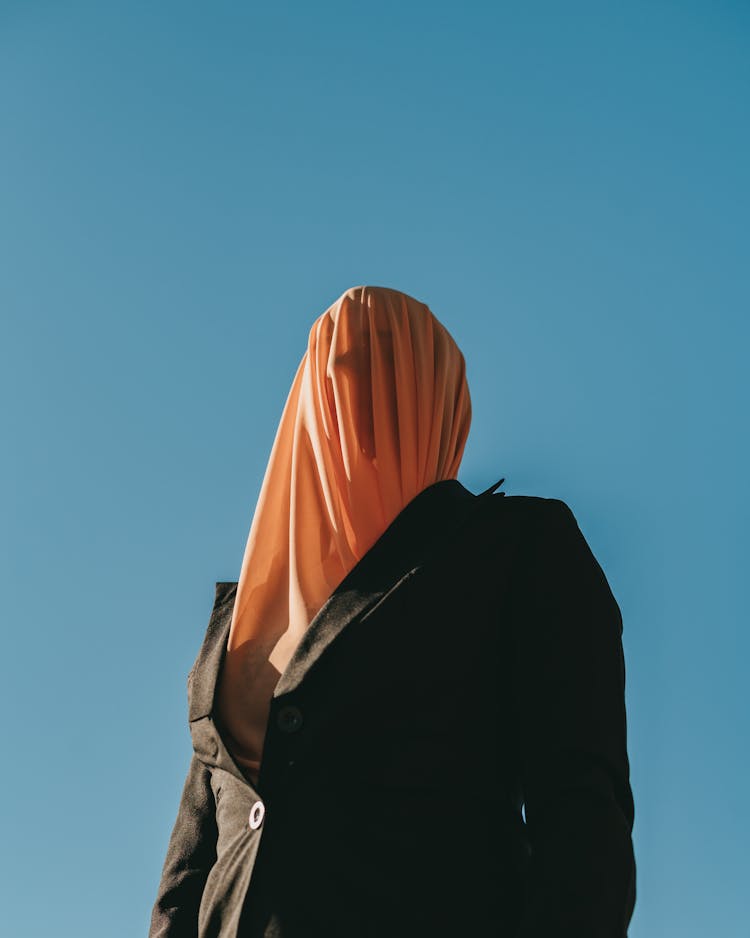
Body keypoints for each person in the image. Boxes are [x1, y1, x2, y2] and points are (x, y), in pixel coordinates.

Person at [148, 285, 636, 937]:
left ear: (439, 404)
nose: (363, 399)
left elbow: (582, 816)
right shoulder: (240, 627)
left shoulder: (518, 550)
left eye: (392, 377)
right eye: (342, 374)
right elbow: (185, 882)